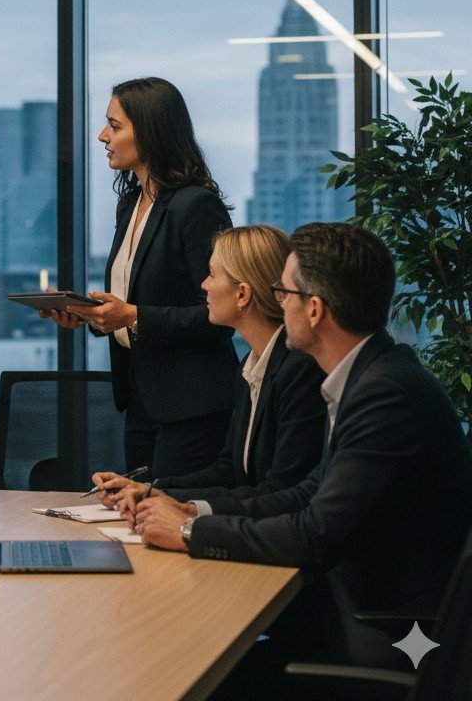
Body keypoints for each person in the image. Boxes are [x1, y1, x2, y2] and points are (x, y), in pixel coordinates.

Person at [135, 222, 472, 668]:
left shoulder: (385, 394)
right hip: (355, 610)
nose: (278, 302)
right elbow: (305, 493)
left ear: (314, 309)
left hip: (392, 635)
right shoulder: (367, 379)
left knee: (186, 663)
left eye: (285, 293)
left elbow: (316, 534)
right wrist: (189, 510)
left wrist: (189, 531)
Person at [42, 76, 238, 477]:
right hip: (139, 398)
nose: (102, 136)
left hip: (192, 404)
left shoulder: (196, 206)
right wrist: (89, 314)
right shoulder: (131, 204)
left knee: (165, 514)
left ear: (150, 132)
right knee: (139, 515)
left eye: (114, 126)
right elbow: (131, 303)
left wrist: (132, 316)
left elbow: (221, 316)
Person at [92, 224, 325, 514]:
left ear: (242, 294)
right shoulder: (249, 367)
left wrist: (188, 509)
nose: (203, 285)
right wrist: (152, 490)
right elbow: (228, 470)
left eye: (212, 274)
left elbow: (282, 491)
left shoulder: (299, 371)